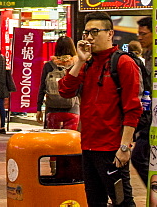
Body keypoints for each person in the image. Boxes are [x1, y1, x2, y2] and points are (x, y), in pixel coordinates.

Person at [58, 12, 142, 207]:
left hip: (112, 150)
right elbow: (64, 91)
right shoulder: (87, 64)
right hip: (88, 147)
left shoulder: (123, 63)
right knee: (95, 201)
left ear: (110, 33)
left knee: (122, 202)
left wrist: (124, 147)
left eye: (95, 32)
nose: (89, 37)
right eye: (86, 32)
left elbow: (133, 109)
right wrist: (79, 60)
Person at [37, 36, 80, 130]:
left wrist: (38, 108)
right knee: (70, 142)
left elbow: (42, 88)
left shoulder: (49, 66)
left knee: (52, 142)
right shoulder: (77, 65)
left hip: (52, 110)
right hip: (72, 109)